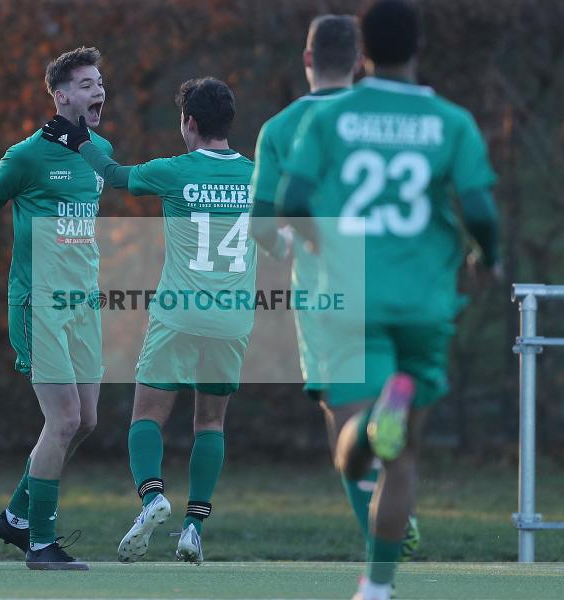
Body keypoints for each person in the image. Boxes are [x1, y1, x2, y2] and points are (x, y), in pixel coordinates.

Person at [277, 1, 501, 598]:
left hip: (351, 301)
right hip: (425, 303)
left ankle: (376, 423)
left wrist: (321, 245)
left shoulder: (328, 120)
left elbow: (293, 200)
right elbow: (478, 207)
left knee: (355, 454)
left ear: (363, 52)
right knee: (402, 456)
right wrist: (488, 256)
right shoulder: (451, 121)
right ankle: (377, 589)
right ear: (419, 45)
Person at [43, 77, 256, 565]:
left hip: (179, 313)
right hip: (233, 322)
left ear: (190, 123)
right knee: (210, 423)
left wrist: (77, 139)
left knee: (146, 417)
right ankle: (194, 527)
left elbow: (116, 176)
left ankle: (152, 496)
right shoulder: (255, 175)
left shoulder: (175, 170)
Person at [0, 46, 113, 571]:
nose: (96, 90)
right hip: (40, 304)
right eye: (84, 83)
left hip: (85, 304)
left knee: (86, 422)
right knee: (63, 420)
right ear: (59, 96)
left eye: (99, 82)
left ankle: (15, 516)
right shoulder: (25, 156)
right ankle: (40, 543)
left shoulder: (100, 150)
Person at [249, 14, 420, 563]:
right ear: (359, 62)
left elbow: (260, 226)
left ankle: (385, 534)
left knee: (341, 418)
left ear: (306, 61)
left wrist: (288, 248)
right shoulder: (390, 119)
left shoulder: (280, 127)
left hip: (327, 289)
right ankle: (389, 490)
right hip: (396, 279)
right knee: (374, 387)